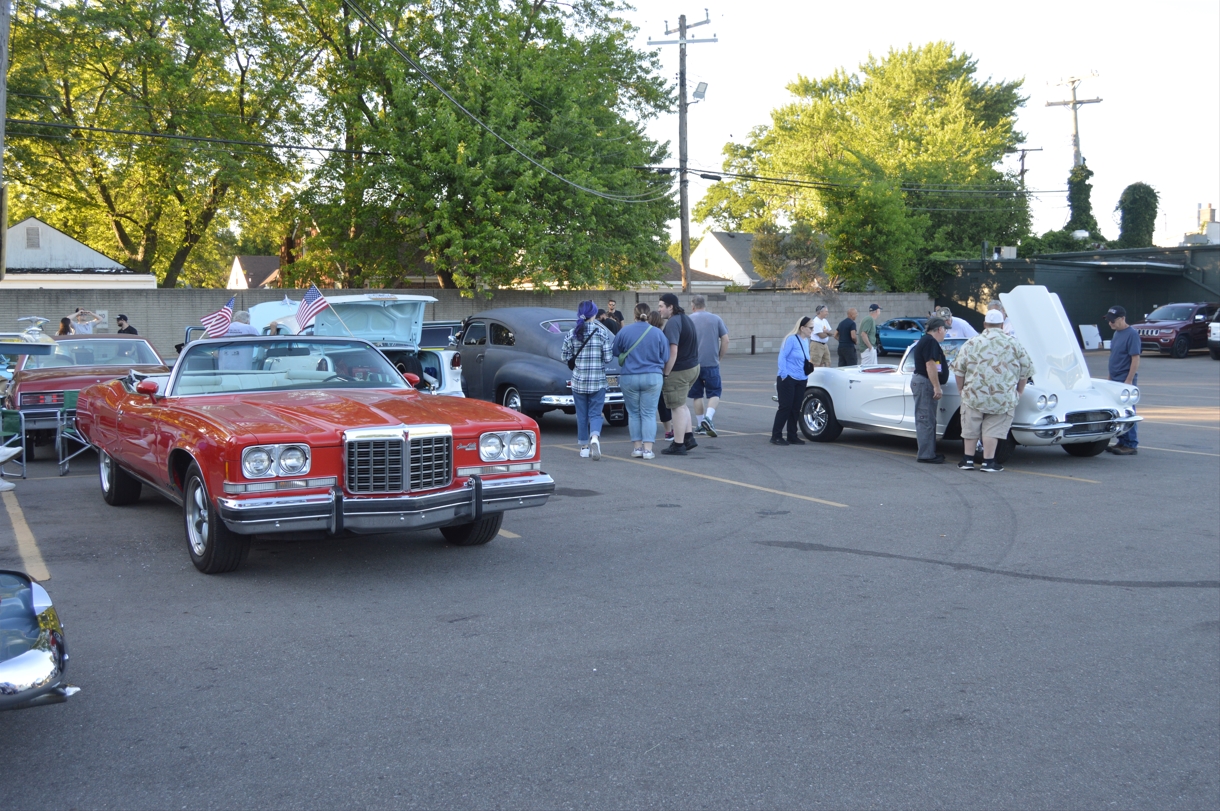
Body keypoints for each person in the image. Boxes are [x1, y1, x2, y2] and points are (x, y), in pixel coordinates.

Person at [950, 309, 1034, 473]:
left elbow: (959, 371)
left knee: (970, 427)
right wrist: (1019, 392)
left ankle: (967, 460)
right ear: (1002, 325)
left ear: (984, 324)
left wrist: (961, 390)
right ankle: (989, 462)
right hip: (1002, 396)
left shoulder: (971, 343)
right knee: (993, 429)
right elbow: (1026, 371)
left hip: (973, 394)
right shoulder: (1014, 343)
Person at [611, 303, 669, 459]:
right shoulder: (657, 333)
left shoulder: (625, 331)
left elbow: (615, 351)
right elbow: (665, 357)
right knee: (649, 413)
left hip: (629, 376)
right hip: (652, 376)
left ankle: (637, 448)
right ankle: (648, 450)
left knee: (634, 413)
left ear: (634, 314)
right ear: (649, 314)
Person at [561, 300, 614, 460]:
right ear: (595, 314)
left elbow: (564, 356)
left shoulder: (572, 333)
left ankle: (584, 447)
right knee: (596, 414)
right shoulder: (601, 332)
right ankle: (595, 438)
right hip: (598, 380)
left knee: (581, 414)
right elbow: (609, 357)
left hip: (578, 381)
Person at [657, 293, 700, 455]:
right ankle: (688, 438)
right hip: (693, 367)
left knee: (676, 407)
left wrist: (666, 373)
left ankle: (678, 444)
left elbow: (672, 350)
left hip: (679, 370)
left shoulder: (673, 323)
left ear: (671, 307)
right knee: (681, 405)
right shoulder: (686, 319)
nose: (659, 309)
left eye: (661, 306)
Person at [687, 294, 729, 437]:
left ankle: (700, 425)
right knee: (715, 392)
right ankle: (708, 418)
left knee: (696, 395)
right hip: (711, 363)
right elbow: (725, 339)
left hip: (693, 364)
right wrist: (720, 357)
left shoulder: (688, 320)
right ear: (704, 305)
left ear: (693, 306)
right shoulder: (716, 319)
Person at [911, 317, 950, 463]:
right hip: (924, 382)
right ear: (939, 329)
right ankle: (926, 455)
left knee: (929, 419)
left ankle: (930, 452)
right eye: (945, 330)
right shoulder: (930, 341)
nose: (946, 333)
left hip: (925, 382)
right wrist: (936, 386)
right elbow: (930, 364)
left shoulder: (928, 341)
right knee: (925, 419)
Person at [771, 317, 813, 446]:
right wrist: (784, 374)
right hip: (788, 378)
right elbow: (782, 357)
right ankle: (776, 436)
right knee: (785, 407)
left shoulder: (806, 341)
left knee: (796, 408)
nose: (812, 330)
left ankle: (792, 435)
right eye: (810, 328)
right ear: (802, 328)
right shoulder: (791, 339)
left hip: (802, 379)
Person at [1105, 305, 1141, 455]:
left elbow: (1135, 358)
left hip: (1124, 378)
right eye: (1109, 321)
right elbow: (1114, 356)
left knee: (1128, 410)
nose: (1111, 323)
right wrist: (1109, 377)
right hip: (1115, 378)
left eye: (1113, 321)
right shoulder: (1117, 334)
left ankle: (1131, 444)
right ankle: (1122, 441)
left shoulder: (1131, 334)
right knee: (1119, 411)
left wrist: (1129, 379)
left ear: (1122, 319)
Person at [648, 310, 674, 441]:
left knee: (647, 406)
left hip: (642, 372)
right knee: (663, 404)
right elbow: (666, 356)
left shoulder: (645, 334)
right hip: (658, 372)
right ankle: (668, 431)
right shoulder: (662, 335)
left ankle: (645, 432)